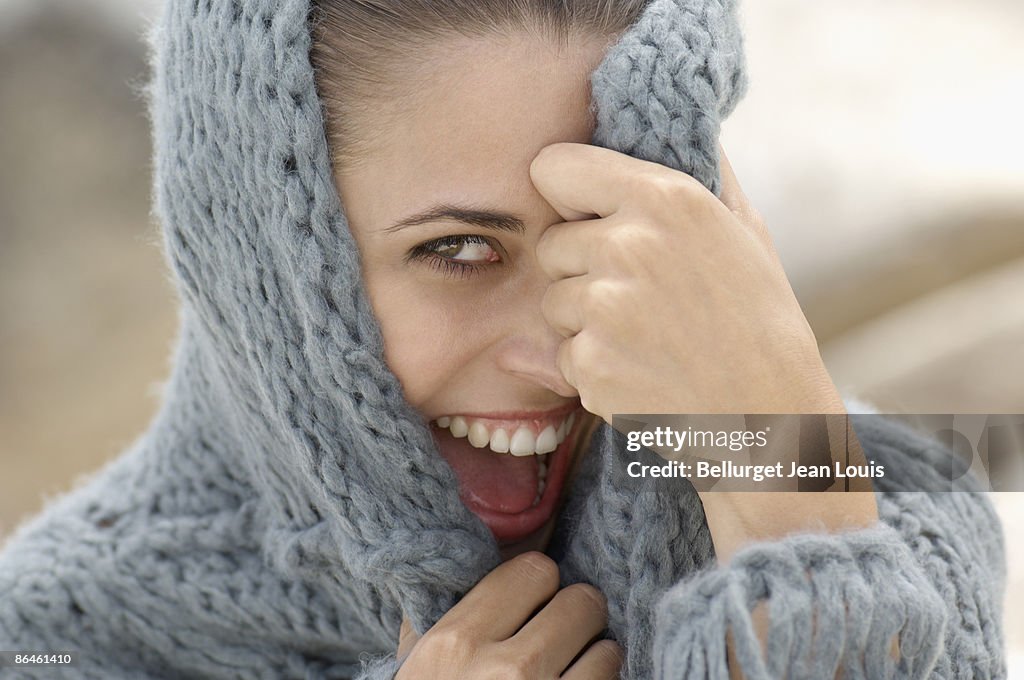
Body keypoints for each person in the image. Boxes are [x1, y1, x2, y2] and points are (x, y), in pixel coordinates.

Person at [0, 0, 1005, 678]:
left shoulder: (878, 502)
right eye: (459, 249)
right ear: (259, 263)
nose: (564, 351)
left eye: (605, 237)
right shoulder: (53, 639)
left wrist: (797, 513)